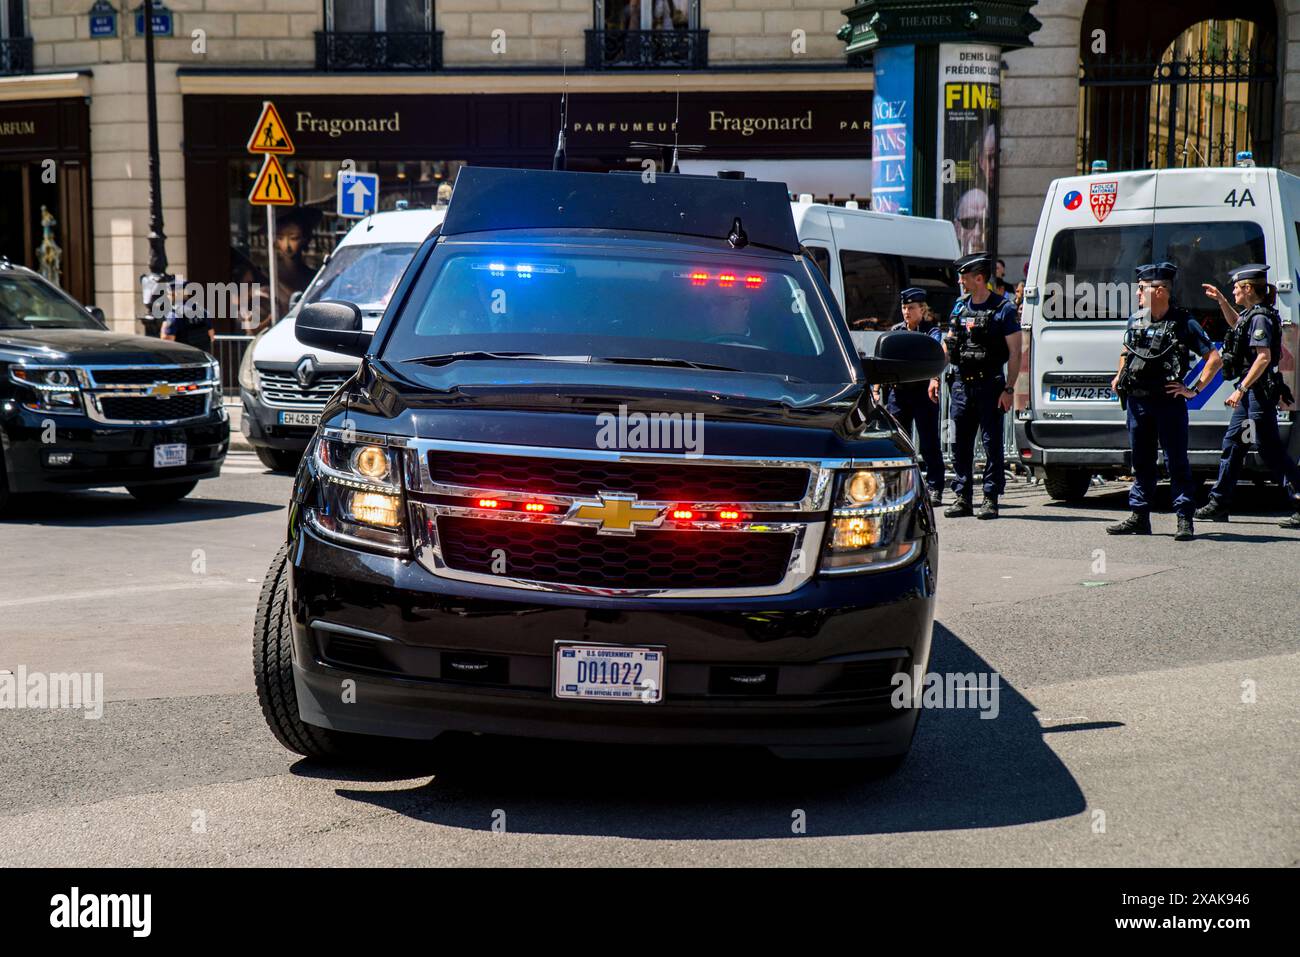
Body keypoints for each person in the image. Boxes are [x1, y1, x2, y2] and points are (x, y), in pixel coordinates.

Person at [1108, 262, 1221, 540]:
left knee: (1176, 462)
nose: (1137, 295)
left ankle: (1184, 518)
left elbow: (1214, 359)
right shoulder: (1136, 319)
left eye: (1141, 289)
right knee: (1142, 461)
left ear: (1159, 291)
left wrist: (1193, 389)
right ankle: (1139, 516)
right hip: (1138, 401)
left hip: (1168, 401)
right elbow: (1126, 350)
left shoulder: (1183, 322)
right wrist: (1119, 374)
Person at [1195, 265, 1300, 528]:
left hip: (1258, 393)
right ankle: (1219, 503)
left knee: (1269, 450)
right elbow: (1236, 324)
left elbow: (1263, 357)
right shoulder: (1251, 315)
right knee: (1234, 444)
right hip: (1251, 394)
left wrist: (1241, 388)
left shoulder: (1261, 318)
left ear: (1248, 289)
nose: (1233, 292)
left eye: (1236, 289)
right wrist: (1221, 301)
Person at [943, 253, 1022, 519]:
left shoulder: (1004, 309)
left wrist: (1009, 388)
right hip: (961, 387)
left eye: (964, 277)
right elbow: (949, 344)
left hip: (990, 385)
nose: (960, 281)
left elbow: (1015, 351)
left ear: (979, 278)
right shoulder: (959, 307)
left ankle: (990, 497)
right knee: (959, 444)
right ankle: (962, 497)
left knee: (991, 444)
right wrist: (934, 375)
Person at [882, 287, 946, 505]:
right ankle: (900, 485)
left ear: (922, 309)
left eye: (911, 308)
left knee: (929, 442)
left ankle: (935, 487)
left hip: (922, 392)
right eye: (904, 307)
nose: (906, 312)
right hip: (899, 393)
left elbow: (937, 353)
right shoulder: (896, 330)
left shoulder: (930, 331)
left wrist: (934, 379)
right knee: (898, 441)